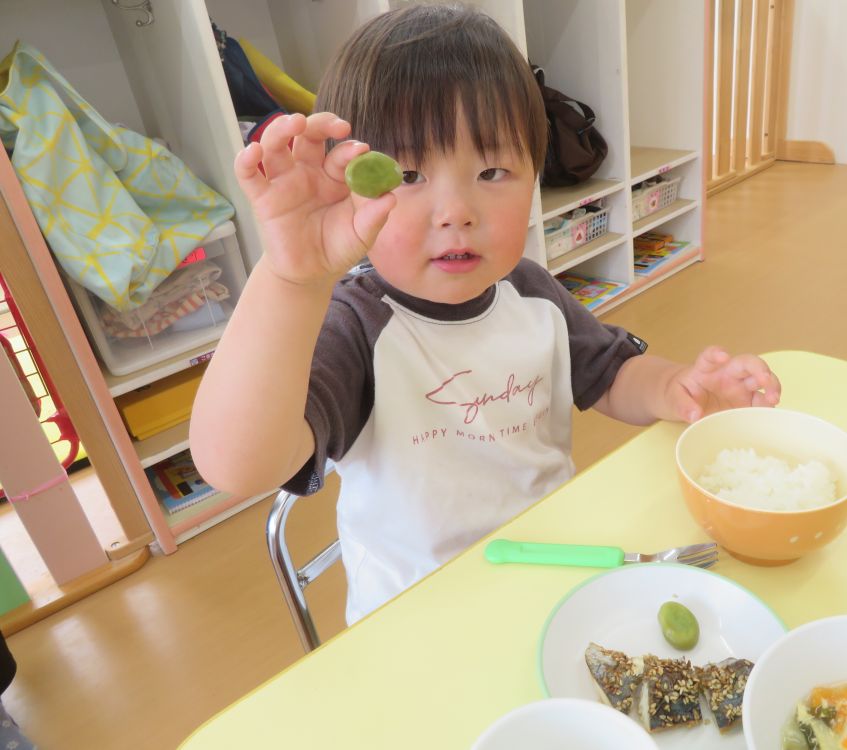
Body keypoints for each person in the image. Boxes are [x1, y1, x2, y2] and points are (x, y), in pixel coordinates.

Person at [190, 4, 780, 625]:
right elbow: (236, 464)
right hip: (424, 619)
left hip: (554, 570)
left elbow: (610, 374)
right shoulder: (356, 326)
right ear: (353, 182)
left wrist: (674, 386)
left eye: (492, 170)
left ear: (535, 174)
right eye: (410, 174)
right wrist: (291, 277)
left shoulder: (530, 290)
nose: (456, 211)